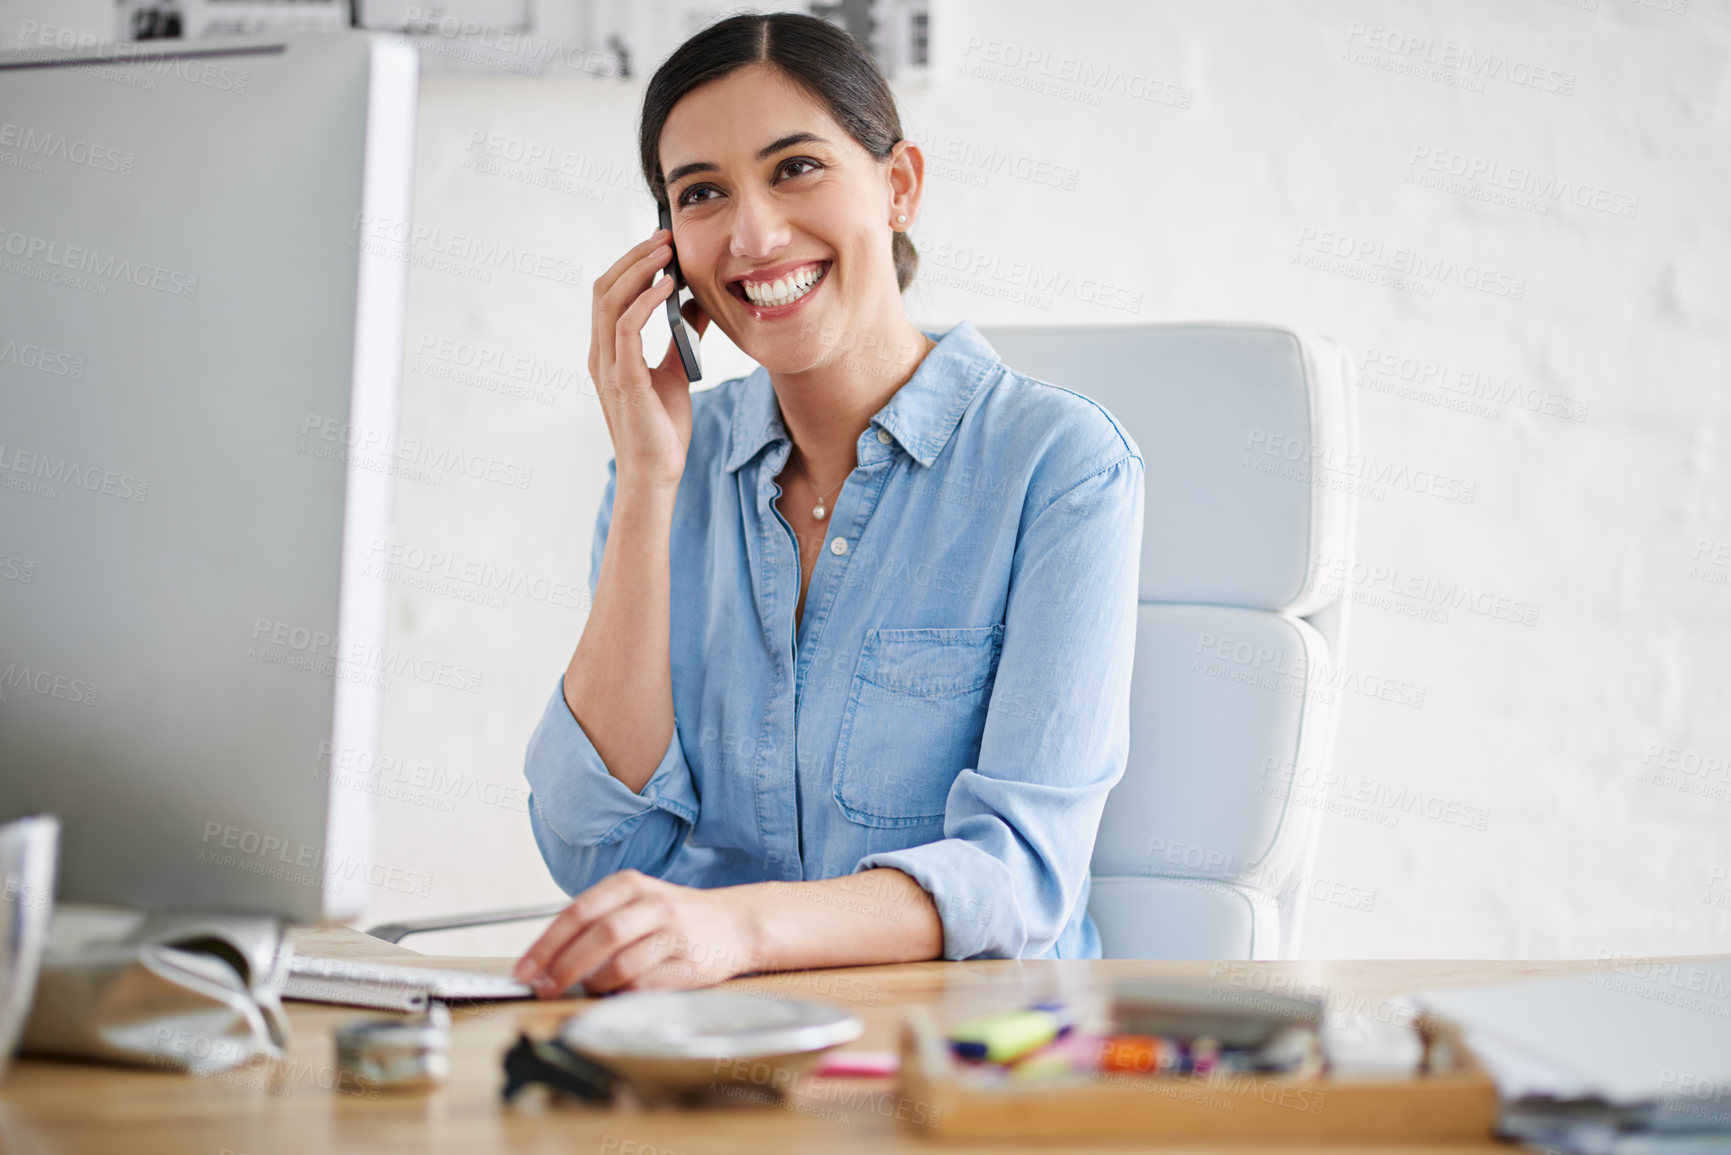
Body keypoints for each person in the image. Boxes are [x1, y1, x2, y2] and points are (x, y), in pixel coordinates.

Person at [513, 12, 1144, 998]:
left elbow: (1020, 878)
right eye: (703, 194)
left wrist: (735, 928)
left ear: (899, 188)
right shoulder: (673, 466)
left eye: (796, 167)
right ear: (669, 251)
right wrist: (646, 481)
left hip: (962, 1048)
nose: (755, 233)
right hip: (713, 1046)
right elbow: (592, 851)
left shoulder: (1058, 466)